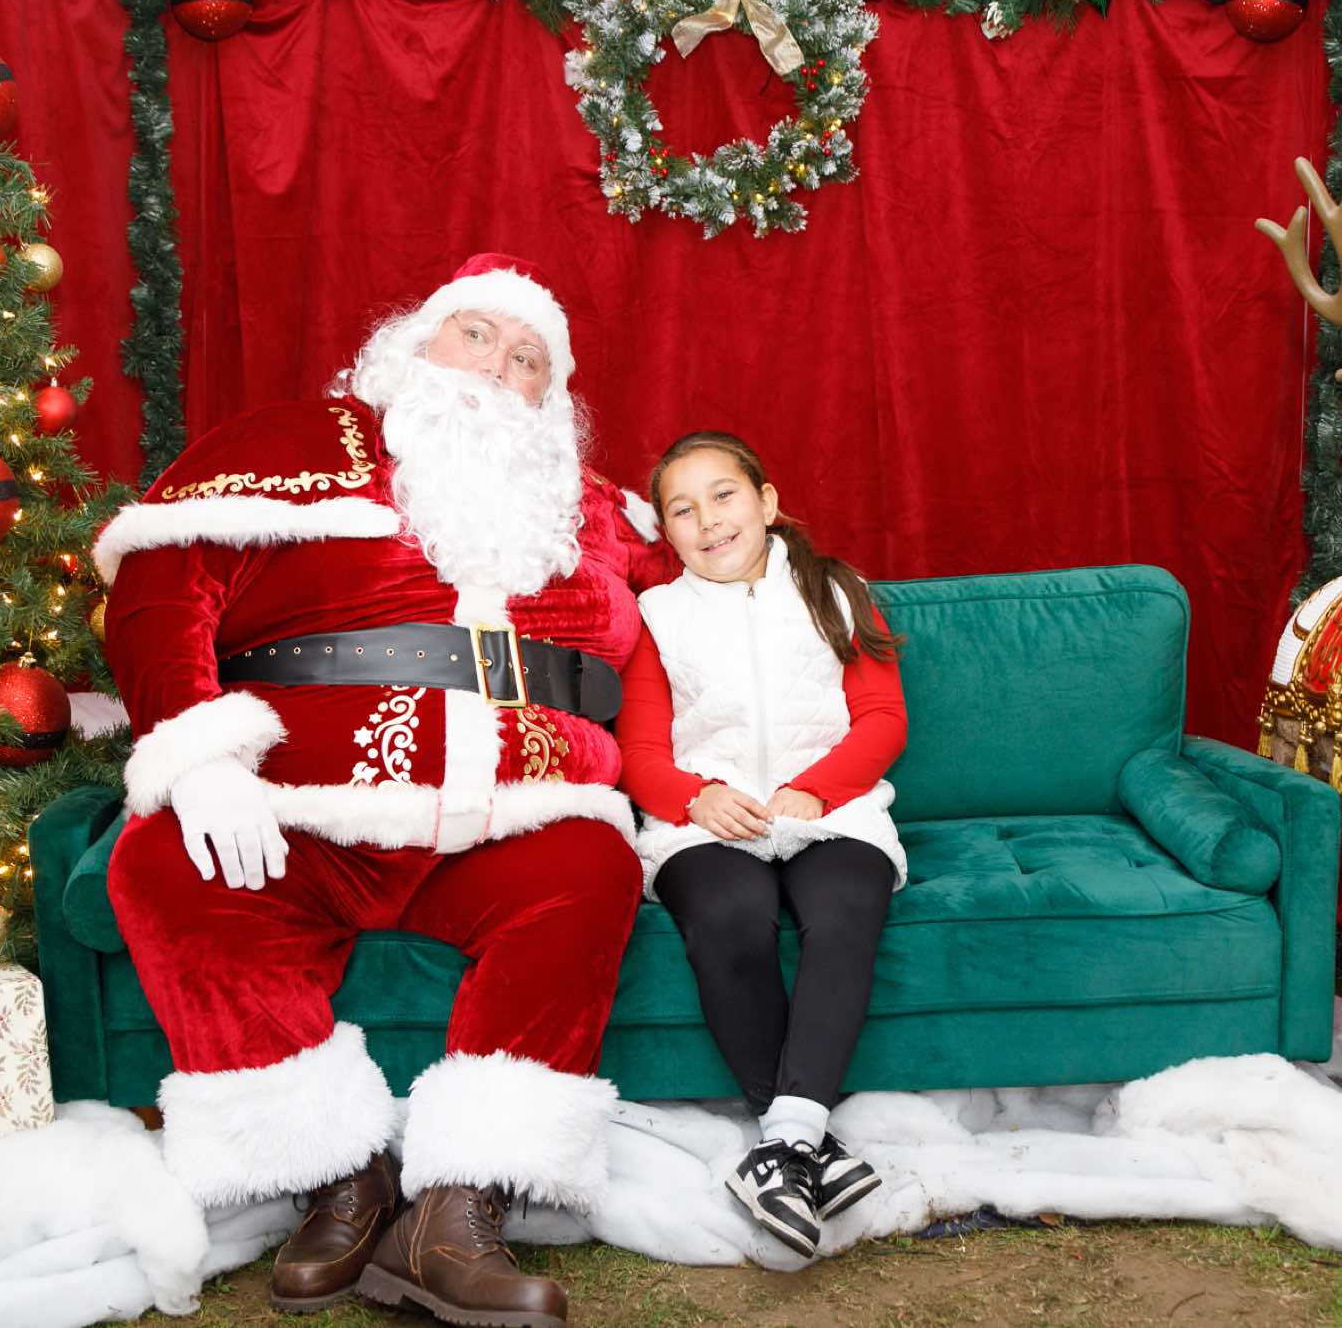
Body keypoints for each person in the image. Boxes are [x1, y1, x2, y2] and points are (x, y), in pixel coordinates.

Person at [93, 254, 676, 1326]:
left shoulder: (596, 511)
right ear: (414, 343)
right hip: (307, 808)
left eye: (527, 358)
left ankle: (454, 1213)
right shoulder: (293, 443)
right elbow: (161, 584)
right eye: (476, 335)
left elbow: (723, 600)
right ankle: (339, 1176)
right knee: (163, 865)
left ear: (551, 398)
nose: (495, 366)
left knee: (592, 866)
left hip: (517, 817)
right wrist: (197, 752)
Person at [616, 431, 909, 1257]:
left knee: (846, 903)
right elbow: (640, 752)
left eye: (724, 495)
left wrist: (817, 787)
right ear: (666, 533)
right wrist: (697, 797)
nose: (708, 520)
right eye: (683, 509)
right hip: (708, 819)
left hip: (829, 809)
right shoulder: (656, 616)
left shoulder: (837, 592)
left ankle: (783, 1141)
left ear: (767, 502)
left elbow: (883, 718)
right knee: (731, 915)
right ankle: (809, 1143)